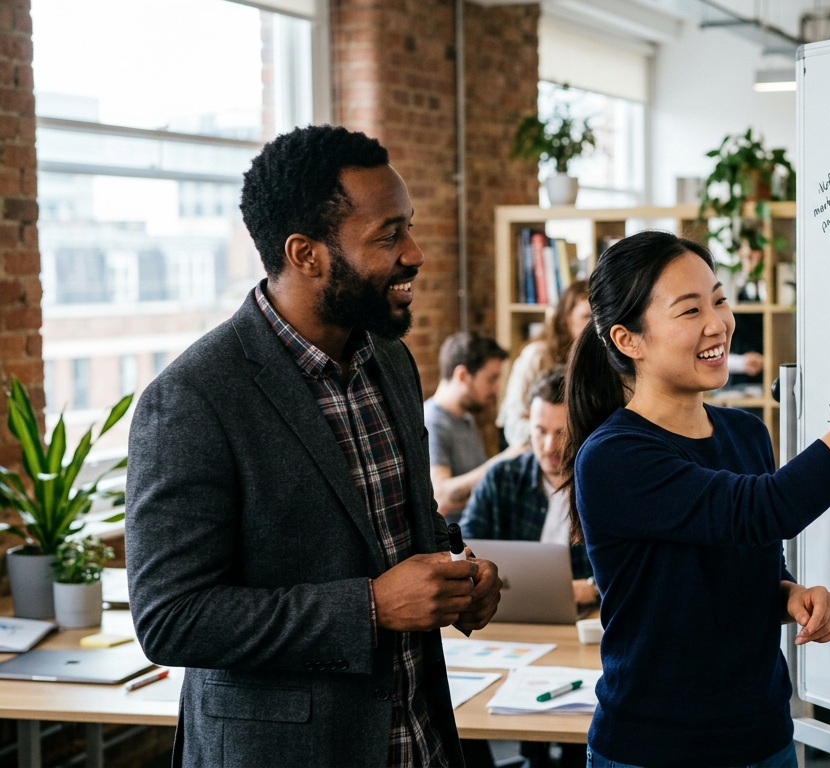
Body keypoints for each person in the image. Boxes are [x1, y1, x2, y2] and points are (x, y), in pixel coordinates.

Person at [124, 125, 502, 768]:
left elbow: (390, 525)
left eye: (408, 227)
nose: (414, 253)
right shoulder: (193, 398)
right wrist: (371, 608)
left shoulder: (391, 361)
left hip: (419, 740)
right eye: (388, 234)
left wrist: (456, 573)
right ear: (305, 254)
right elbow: (171, 618)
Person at [564, 230, 830, 767]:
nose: (718, 323)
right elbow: (770, 508)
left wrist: (790, 596)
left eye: (719, 300)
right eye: (690, 310)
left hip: (765, 739)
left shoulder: (745, 433)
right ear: (628, 340)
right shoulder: (614, 456)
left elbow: (749, 564)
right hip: (657, 751)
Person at [461, 366, 597, 605]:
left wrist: (593, 588)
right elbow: (465, 549)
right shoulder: (502, 478)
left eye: (562, 433)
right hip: (504, 612)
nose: (549, 446)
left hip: (586, 615)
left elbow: (635, 568)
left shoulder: (601, 486)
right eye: (540, 431)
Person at [428, 331, 523, 519]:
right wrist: (504, 460)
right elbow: (440, 497)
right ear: (462, 375)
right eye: (491, 378)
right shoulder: (431, 423)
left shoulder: (466, 419)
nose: (496, 388)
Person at [497, 280, 590, 448]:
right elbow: (513, 424)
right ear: (566, 319)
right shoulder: (537, 355)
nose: (595, 325)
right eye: (587, 317)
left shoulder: (600, 360)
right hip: (534, 451)